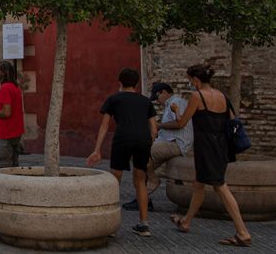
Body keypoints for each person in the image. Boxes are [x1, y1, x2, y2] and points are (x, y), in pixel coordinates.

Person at [161, 64, 252, 247]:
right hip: (221, 146)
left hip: (206, 147)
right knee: (199, 184)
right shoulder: (222, 96)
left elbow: (181, 123)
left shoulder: (197, 96)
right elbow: (232, 119)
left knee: (220, 186)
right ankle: (186, 221)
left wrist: (176, 111)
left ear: (195, 80)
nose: (190, 84)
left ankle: (243, 232)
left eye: (189, 80)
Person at [85, 67, 157, 238]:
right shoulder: (146, 101)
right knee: (140, 180)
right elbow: (154, 129)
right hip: (143, 140)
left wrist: (97, 150)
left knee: (115, 179)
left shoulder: (114, 99)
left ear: (120, 82)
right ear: (137, 84)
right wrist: (148, 145)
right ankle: (144, 224)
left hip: (123, 138)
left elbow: (104, 125)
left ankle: (111, 223)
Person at [128, 81, 191, 210]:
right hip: (168, 141)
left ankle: (153, 180)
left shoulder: (176, 102)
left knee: (139, 153)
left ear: (164, 92)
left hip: (176, 143)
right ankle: (144, 199)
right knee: (140, 168)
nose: (157, 101)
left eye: (157, 97)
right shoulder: (170, 104)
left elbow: (179, 123)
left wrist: (159, 125)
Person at [0, 61, 24, 168]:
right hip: (16, 131)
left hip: (6, 132)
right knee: (14, 166)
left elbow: (7, 112)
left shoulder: (5, 88)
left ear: (4, 72)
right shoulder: (14, 87)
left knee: (5, 167)